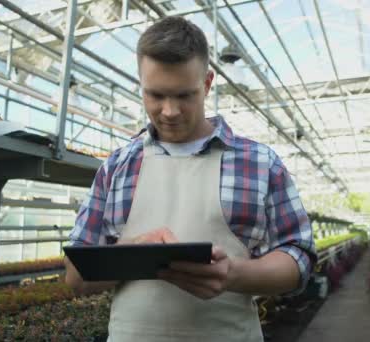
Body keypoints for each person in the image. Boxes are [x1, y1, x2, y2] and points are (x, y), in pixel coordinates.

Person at [65, 16, 316, 342]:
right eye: (155, 95)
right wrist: (131, 253)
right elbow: (75, 277)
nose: (169, 111)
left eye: (184, 95)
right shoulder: (117, 167)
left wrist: (234, 273)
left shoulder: (259, 163)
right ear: (140, 83)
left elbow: (297, 257)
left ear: (208, 83)